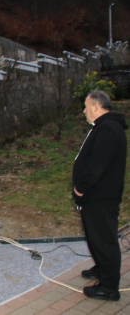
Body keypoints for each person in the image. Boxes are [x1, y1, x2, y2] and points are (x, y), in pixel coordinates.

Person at [73, 90, 128, 301]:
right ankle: (102, 270)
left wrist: (81, 188)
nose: (84, 111)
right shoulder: (104, 127)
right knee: (96, 238)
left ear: (96, 107)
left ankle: (109, 286)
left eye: (86, 107)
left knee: (104, 240)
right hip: (96, 198)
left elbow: (97, 165)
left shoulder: (108, 129)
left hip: (100, 198)